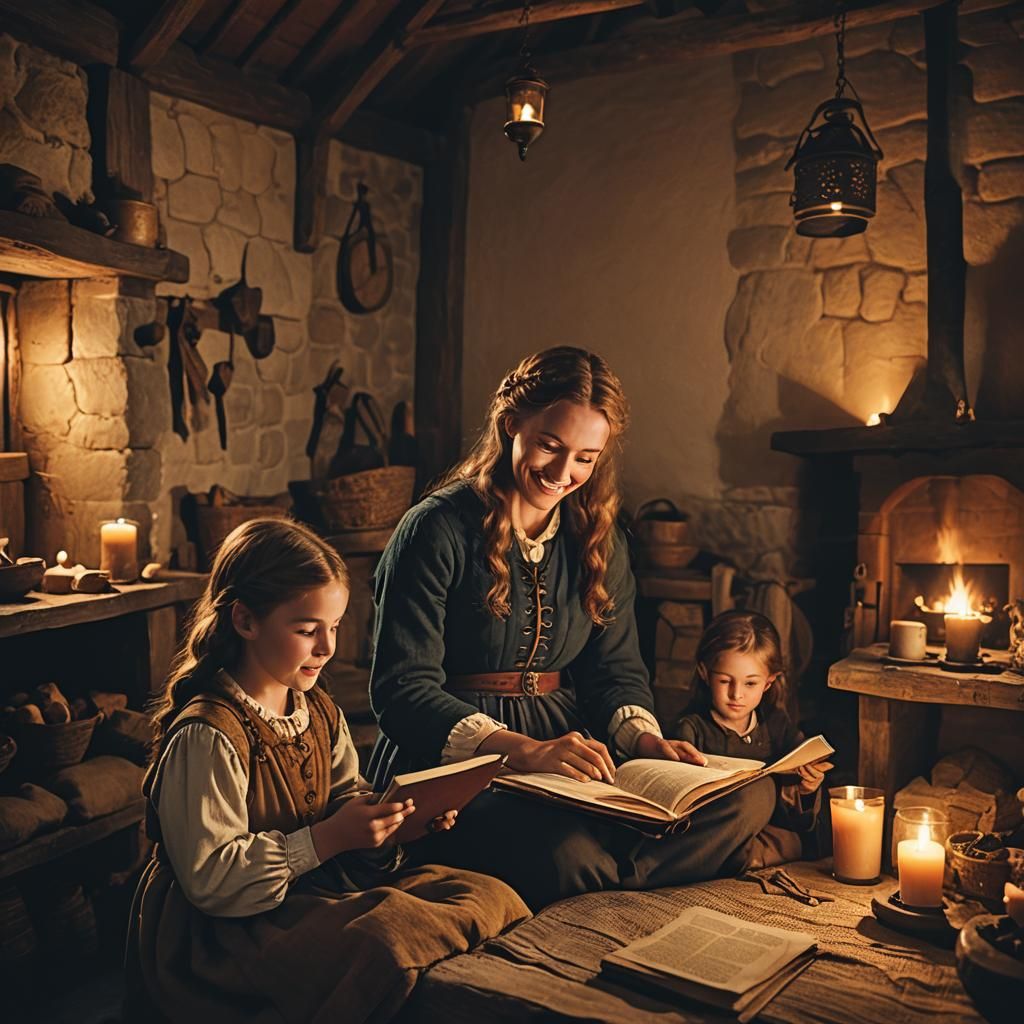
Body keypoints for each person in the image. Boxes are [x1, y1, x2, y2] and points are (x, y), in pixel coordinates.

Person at [368, 346, 776, 909]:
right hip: (455, 759)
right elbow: (402, 692)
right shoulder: (434, 529)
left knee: (751, 797)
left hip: (571, 743)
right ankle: (620, 872)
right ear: (512, 424)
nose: (564, 475)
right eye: (550, 446)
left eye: (585, 457)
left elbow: (616, 670)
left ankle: (600, 878)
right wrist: (525, 752)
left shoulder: (599, 537)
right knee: (564, 847)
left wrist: (645, 740)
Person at [125, 518, 528, 1024]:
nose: (327, 647)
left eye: (333, 627)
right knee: (386, 942)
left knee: (488, 893)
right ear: (245, 621)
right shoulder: (208, 733)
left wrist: (389, 825)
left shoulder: (315, 709)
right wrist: (326, 839)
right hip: (226, 930)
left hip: (309, 889)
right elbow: (213, 879)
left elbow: (343, 797)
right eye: (306, 629)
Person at [672, 609, 832, 862]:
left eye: (750, 683)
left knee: (792, 842)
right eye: (725, 681)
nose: (737, 695)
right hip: (715, 832)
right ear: (704, 673)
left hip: (768, 831)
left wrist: (807, 788)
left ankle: (739, 859)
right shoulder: (690, 730)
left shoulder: (777, 725)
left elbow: (798, 818)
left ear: (768, 683)